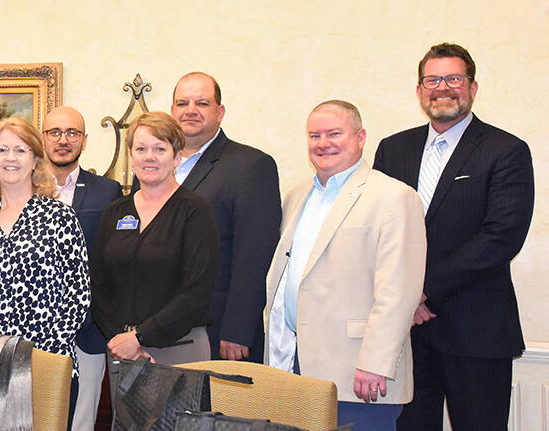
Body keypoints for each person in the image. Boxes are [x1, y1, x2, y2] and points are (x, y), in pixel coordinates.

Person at [373, 43, 535, 430]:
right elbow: (375, 232)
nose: (442, 87)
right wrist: (403, 298)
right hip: (405, 336)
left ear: (473, 87)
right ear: (418, 90)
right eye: (432, 79)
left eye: (453, 78)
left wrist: (421, 290)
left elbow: (501, 237)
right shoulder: (393, 149)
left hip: (476, 332)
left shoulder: (506, 150)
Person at [265, 100, 424, 430]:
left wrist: (376, 362)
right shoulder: (297, 195)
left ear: (361, 137)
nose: (323, 143)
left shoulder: (394, 197)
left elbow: (399, 290)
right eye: (314, 135)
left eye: (334, 133)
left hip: (359, 373)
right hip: (294, 365)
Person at [0, 116, 89, 372]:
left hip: (47, 365)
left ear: (36, 159)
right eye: (2, 150)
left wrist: (42, 356)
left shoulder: (60, 217)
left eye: (20, 150)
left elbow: (77, 295)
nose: (10, 158)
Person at [90, 112, 218, 369]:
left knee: (180, 412)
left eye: (159, 148)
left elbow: (197, 291)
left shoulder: (194, 211)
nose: (149, 157)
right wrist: (124, 340)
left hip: (179, 348)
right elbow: (98, 285)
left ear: (177, 157)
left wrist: (140, 337)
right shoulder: (115, 212)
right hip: (123, 352)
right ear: (131, 155)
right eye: (141, 148)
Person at [168, 72, 280, 363]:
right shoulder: (158, 165)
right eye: (182, 103)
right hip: (163, 333)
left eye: (201, 103)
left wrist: (238, 330)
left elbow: (255, 256)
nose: (190, 110)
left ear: (219, 113)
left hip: (219, 332)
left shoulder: (251, 166)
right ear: (172, 111)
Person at [41, 106, 122, 431]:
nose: (63, 140)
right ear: (42, 138)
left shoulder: (107, 191)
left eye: (72, 133)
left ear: (84, 140)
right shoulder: (22, 188)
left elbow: (111, 260)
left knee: (81, 419)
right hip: (34, 327)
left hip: (87, 328)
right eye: (55, 132)